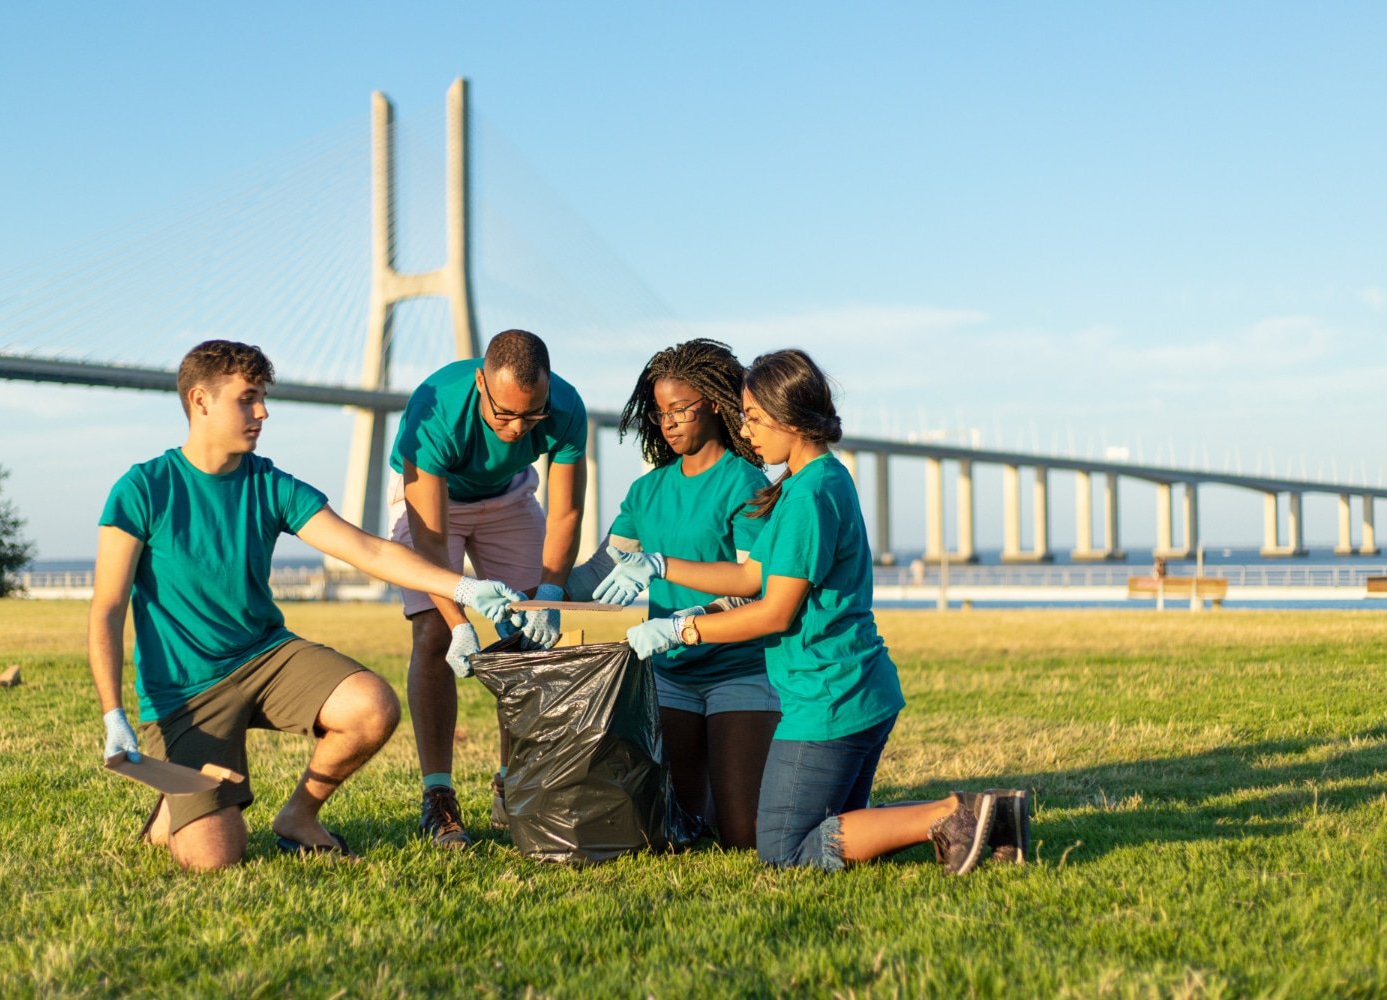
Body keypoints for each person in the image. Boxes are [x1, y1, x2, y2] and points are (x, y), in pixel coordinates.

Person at [90, 340, 519, 871]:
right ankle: (174, 813)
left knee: (372, 706)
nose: (262, 412)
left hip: (264, 657)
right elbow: (107, 608)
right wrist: (113, 713)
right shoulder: (142, 489)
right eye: (248, 399)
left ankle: (298, 815)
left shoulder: (267, 482)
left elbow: (367, 549)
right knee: (216, 858)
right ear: (200, 401)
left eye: (262, 398)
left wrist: (461, 588)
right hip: (184, 693)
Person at [596, 349, 1030, 873]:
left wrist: (682, 629)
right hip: (853, 688)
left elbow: (774, 612)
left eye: (754, 417)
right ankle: (993, 821)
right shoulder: (812, 481)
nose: (747, 430)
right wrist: (661, 564)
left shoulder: (807, 496)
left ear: (788, 418)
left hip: (828, 697)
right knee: (832, 825)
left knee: (780, 849)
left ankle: (953, 815)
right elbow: (750, 576)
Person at [565, 339, 776, 849]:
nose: (669, 423)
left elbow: (752, 590)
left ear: (717, 405)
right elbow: (600, 567)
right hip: (671, 677)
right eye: (660, 413)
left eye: (681, 409)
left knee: (740, 834)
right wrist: (535, 592)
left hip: (739, 671)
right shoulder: (647, 490)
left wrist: (683, 623)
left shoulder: (746, 483)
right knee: (673, 829)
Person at [387, 328, 588, 848]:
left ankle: (512, 781)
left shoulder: (565, 406)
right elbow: (430, 545)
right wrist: (459, 623)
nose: (519, 429)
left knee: (526, 637)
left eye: (532, 415)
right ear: (481, 383)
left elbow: (566, 510)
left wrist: (550, 593)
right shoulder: (435, 409)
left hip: (510, 499)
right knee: (432, 633)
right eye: (504, 415)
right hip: (436, 502)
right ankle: (438, 797)